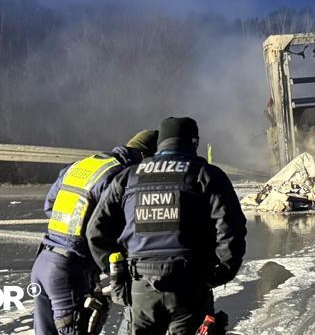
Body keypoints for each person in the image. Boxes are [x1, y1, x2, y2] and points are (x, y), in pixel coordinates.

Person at [86, 117, 246, 335]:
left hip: (140, 287)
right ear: (194, 142)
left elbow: (96, 230)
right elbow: (231, 228)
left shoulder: (128, 177)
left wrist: (117, 271)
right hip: (190, 286)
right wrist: (221, 273)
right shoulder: (205, 174)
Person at [30, 130, 157, 335]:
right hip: (71, 271)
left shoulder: (83, 165)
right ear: (145, 157)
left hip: (44, 262)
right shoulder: (120, 175)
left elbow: (50, 206)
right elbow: (112, 225)